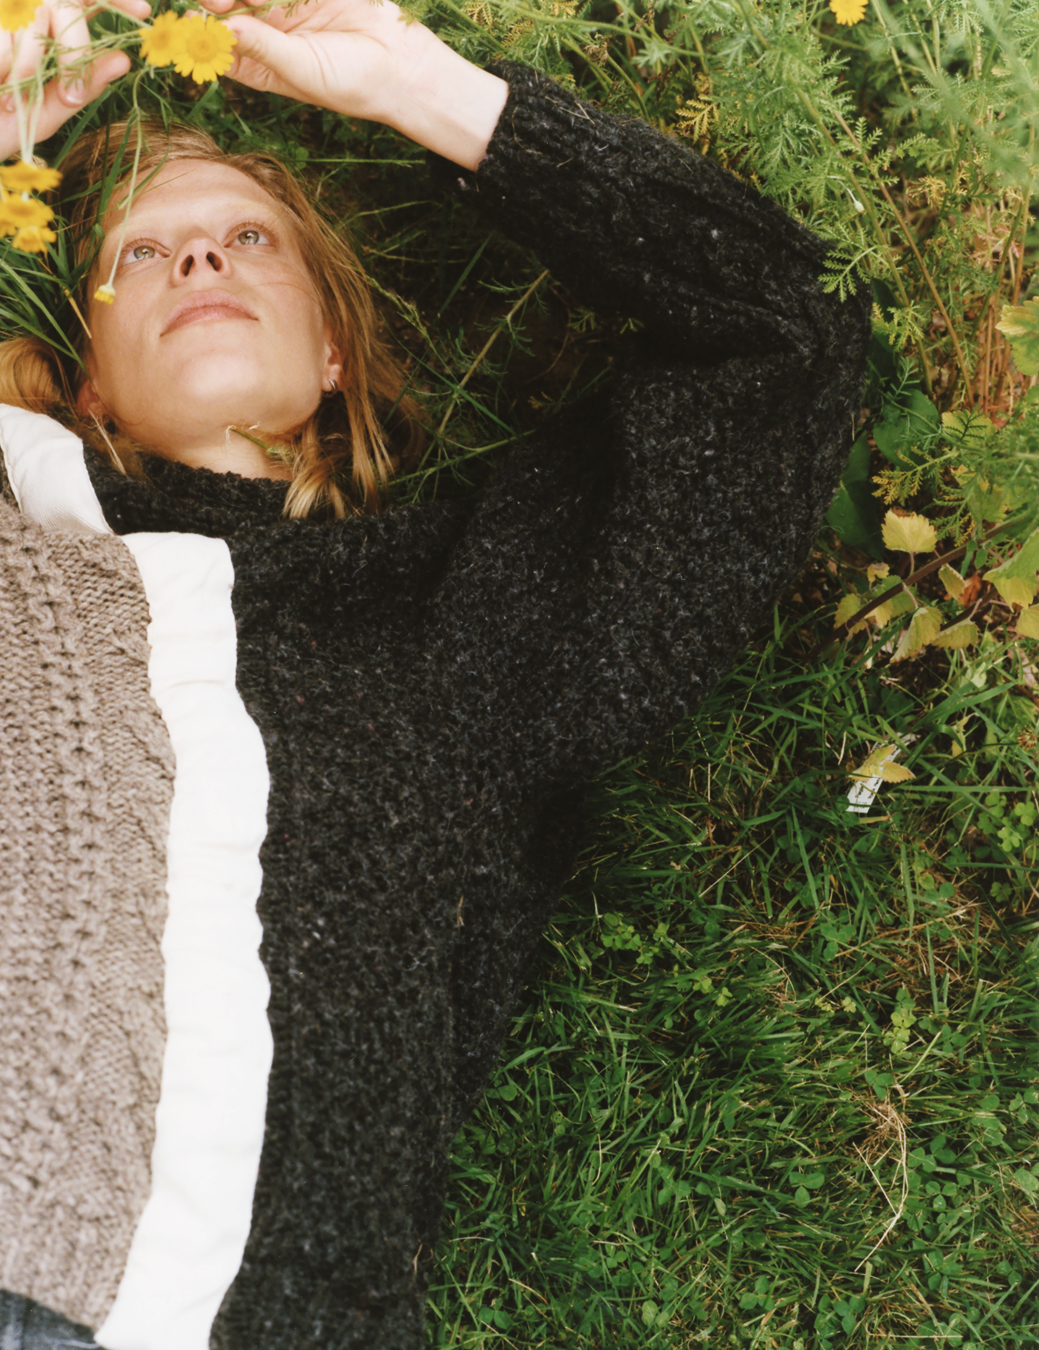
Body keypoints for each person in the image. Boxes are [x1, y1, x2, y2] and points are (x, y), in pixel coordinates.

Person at [0, 1, 872, 1347]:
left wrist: (426, 89)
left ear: (335, 348)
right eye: (143, 250)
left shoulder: (469, 613)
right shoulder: (25, 535)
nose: (199, 260)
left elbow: (793, 339)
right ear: (91, 386)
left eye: (247, 238)